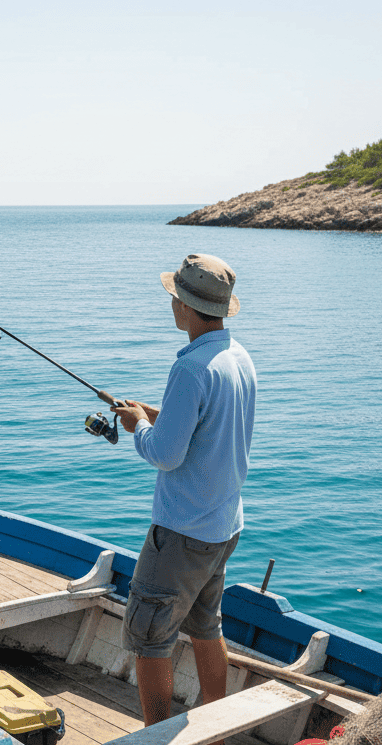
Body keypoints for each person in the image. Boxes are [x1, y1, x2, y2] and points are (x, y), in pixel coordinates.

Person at [109, 253, 256, 736]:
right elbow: (208, 426)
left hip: (181, 534)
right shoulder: (238, 358)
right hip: (222, 526)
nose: (171, 302)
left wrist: (138, 426)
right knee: (205, 626)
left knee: (150, 638)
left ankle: (157, 735)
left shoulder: (191, 367)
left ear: (186, 306)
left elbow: (165, 453)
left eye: (174, 296)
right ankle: (216, 726)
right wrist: (152, 411)